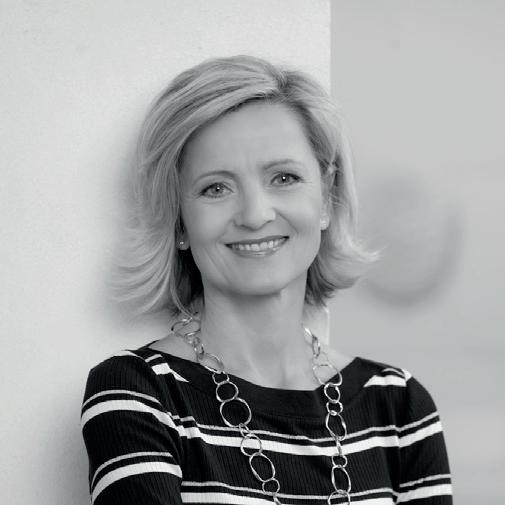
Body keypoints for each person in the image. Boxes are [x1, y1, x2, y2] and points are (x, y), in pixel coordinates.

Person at [80, 55, 453, 505]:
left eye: (284, 177)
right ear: (178, 220)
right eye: (216, 188)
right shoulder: (139, 394)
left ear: (326, 199)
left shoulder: (400, 407)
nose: (255, 215)